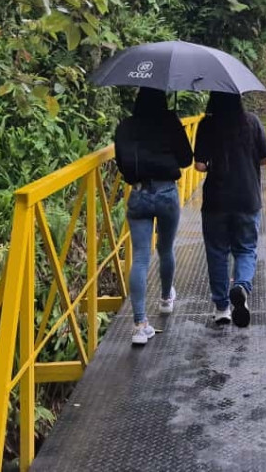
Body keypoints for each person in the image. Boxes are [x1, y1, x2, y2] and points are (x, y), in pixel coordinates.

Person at [114, 88, 193, 346]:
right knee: (165, 249)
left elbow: (122, 164)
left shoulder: (125, 126)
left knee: (140, 256)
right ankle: (166, 299)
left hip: (139, 194)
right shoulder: (169, 121)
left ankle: (139, 325)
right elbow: (186, 159)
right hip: (167, 192)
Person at [193, 92, 266, 327]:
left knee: (217, 253)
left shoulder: (207, 124)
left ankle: (222, 309)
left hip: (216, 200)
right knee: (246, 248)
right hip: (247, 197)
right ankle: (241, 286)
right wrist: (248, 158)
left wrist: (212, 162)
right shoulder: (251, 122)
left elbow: (199, 165)